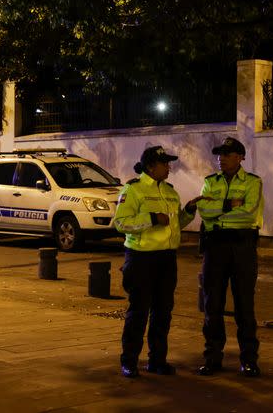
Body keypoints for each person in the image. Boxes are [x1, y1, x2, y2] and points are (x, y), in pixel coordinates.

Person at [114, 145, 199, 378]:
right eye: (165, 163)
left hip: (166, 259)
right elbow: (121, 223)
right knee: (139, 312)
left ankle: (157, 360)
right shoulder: (133, 190)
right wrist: (151, 218)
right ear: (151, 167)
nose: (169, 167)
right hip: (141, 259)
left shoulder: (170, 192)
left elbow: (174, 225)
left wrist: (189, 211)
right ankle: (129, 361)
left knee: (163, 312)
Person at [195, 137, 264, 377]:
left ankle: (249, 360)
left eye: (226, 154)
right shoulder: (210, 181)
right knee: (212, 305)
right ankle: (212, 358)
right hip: (215, 247)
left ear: (240, 157)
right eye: (219, 154)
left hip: (242, 246)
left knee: (245, 305)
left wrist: (218, 215)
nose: (220, 159)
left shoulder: (253, 182)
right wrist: (229, 206)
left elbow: (248, 213)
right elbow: (204, 210)